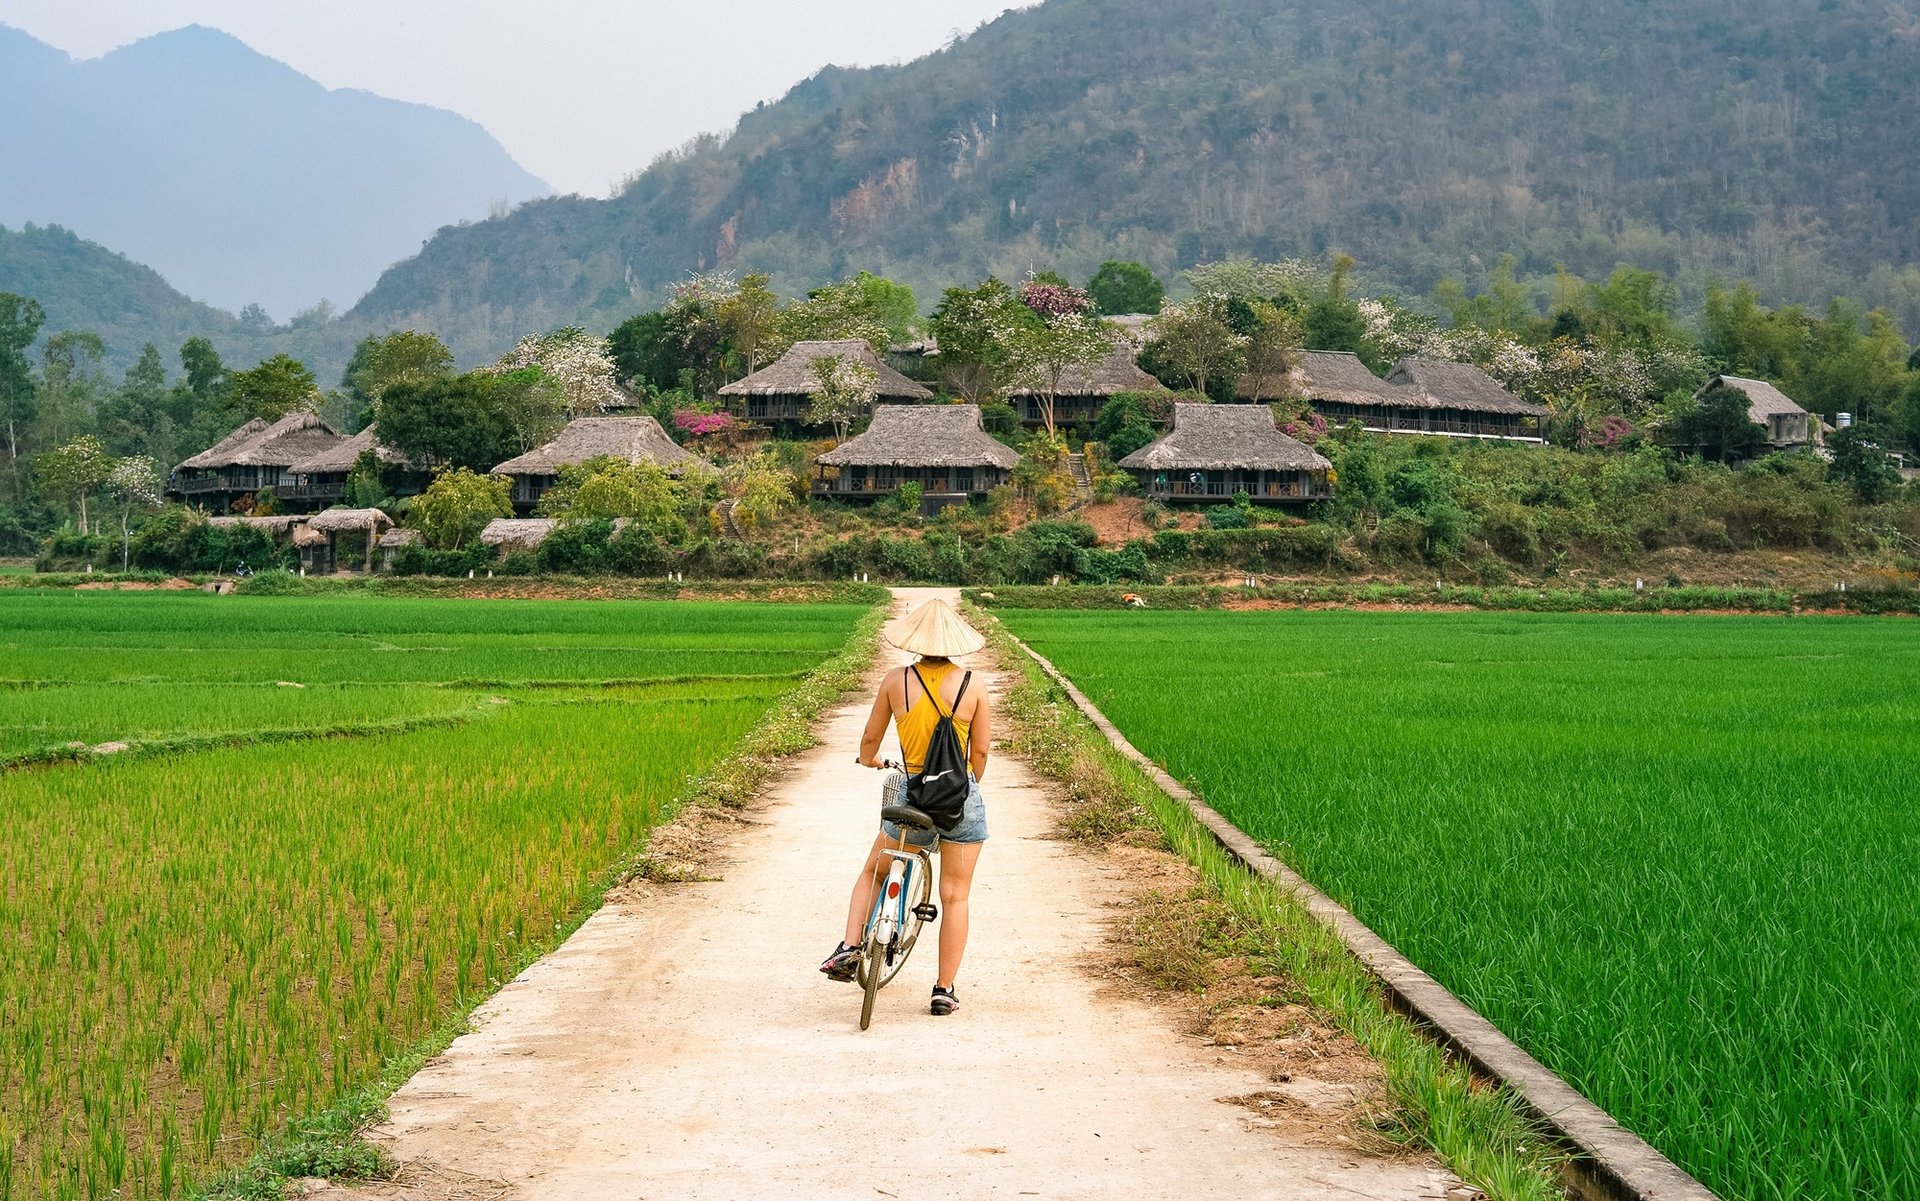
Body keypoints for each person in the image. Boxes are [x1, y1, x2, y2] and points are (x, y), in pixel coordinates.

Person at [820, 598, 991, 1016]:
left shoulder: (897, 680)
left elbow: (868, 744)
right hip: (959, 799)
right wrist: (966, 785)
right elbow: (981, 752)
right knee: (955, 897)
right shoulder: (973, 684)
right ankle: (943, 990)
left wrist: (872, 762)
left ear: (914, 641)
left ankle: (849, 945)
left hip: (912, 795)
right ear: (955, 644)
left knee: (875, 871)